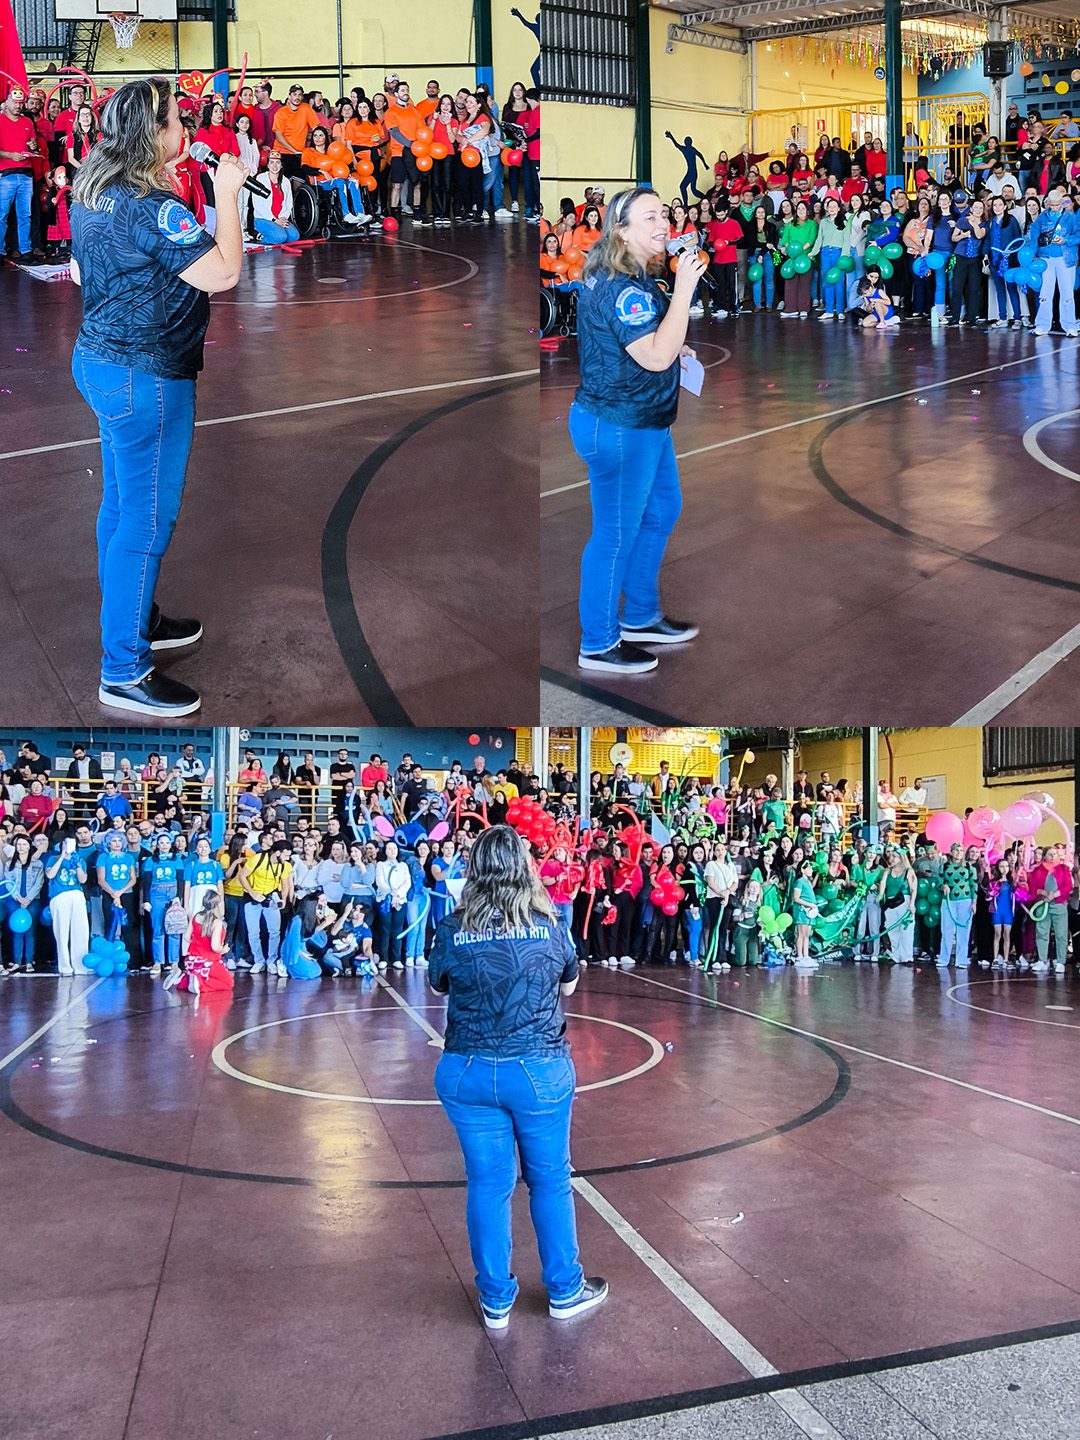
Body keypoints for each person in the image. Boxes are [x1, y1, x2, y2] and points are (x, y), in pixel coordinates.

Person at [69, 78, 250, 716]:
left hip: (100, 359)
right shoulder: (151, 206)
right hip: (145, 375)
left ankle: (135, 616)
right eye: (178, 119)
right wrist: (227, 195)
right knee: (146, 520)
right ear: (154, 134)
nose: (187, 128)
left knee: (122, 504)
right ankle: (122, 670)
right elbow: (223, 272)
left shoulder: (92, 186)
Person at [428, 825, 607, 1331]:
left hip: (468, 1070)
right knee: (549, 1179)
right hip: (537, 1070)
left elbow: (439, 985)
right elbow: (568, 985)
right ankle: (564, 1289)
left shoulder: (453, 927)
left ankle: (495, 1299)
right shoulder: (549, 924)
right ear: (523, 868)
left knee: (488, 1184)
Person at [569, 187, 705, 675]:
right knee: (615, 533)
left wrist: (674, 346)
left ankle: (641, 615)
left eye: (663, 214)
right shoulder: (624, 287)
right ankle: (598, 642)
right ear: (621, 231)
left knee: (663, 509)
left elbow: (647, 344)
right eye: (649, 217)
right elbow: (653, 356)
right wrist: (685, 289)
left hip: (646, 419)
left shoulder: (634, 277)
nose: (663, 224)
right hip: (621, 425)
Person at [164, 890, 234, 995]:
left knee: (205, 976)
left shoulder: (196, 916)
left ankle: (179, 980)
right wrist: (223, 950)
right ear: (218, 905)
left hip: (192, 960)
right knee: (228, 982)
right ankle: (200, 985)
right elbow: (215, 947)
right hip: (208, 961)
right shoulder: (217, 922)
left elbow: (186, 937)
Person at [44, 836, 89, 975]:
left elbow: (83, 879)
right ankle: (64, 966)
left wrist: (77, 865)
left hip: (76, 894)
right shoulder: (53, 859)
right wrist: (62, 857)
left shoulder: (80, 860)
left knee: (80, 931)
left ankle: (80, 965)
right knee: (61, 931)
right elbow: (50, 875)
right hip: (59, 896)